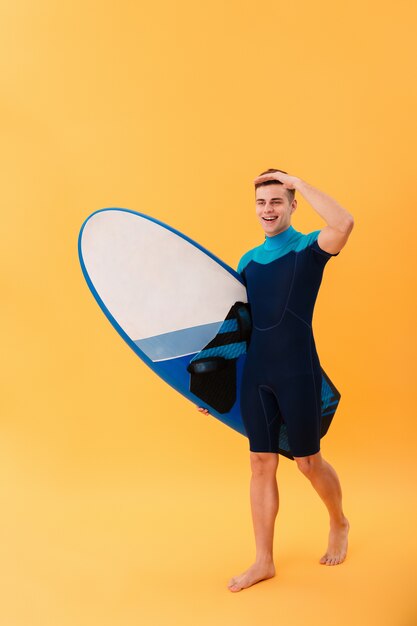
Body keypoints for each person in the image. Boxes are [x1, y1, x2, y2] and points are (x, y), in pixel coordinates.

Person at [197, 168, 353, 592]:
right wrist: (211, 385)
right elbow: (238, 328)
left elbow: (344, 223)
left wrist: (298, 181)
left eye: (277, 201)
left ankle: (339, 521)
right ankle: (263, 560)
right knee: (260, 462)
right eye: (261, 202)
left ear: (291, 205)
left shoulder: (308, 249)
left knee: (308, 462)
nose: (268, 209)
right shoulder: (247, 261)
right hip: (257, 374)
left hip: (297, 370)